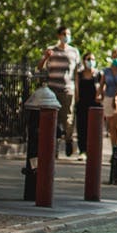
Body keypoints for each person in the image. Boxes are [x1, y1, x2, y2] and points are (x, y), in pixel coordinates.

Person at [38, 26, 80, 157]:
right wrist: (45, 57)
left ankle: (68, 140)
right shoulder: (51, 50)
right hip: (52, 90)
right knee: (53, 120)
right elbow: (40, 67)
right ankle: (53, 148)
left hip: (68, 89)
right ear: (58, 35)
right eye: (63, 33)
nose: (66, 36)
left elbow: (76, 73)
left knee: (67, 119)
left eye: (68, 33)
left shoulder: (74, 52)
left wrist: (77, 91)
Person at [73, 52, 100, 159]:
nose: (90, 61)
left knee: (94, 129)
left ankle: (93, 151)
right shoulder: (79, 75)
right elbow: (76, 88)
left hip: (95, 105)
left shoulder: (98, 74)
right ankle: (82, 150)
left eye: (92, 59)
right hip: (82, 104)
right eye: (88, 59)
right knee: (82, 128)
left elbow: (102, 88)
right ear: (84, 61)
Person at [100, 49, 117, 147]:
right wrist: (99, 95)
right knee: (111, 126)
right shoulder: (106, 71)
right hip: (108, 98)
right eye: (114, 57)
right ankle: (113, 147)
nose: (116, 59)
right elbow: (102, 85)